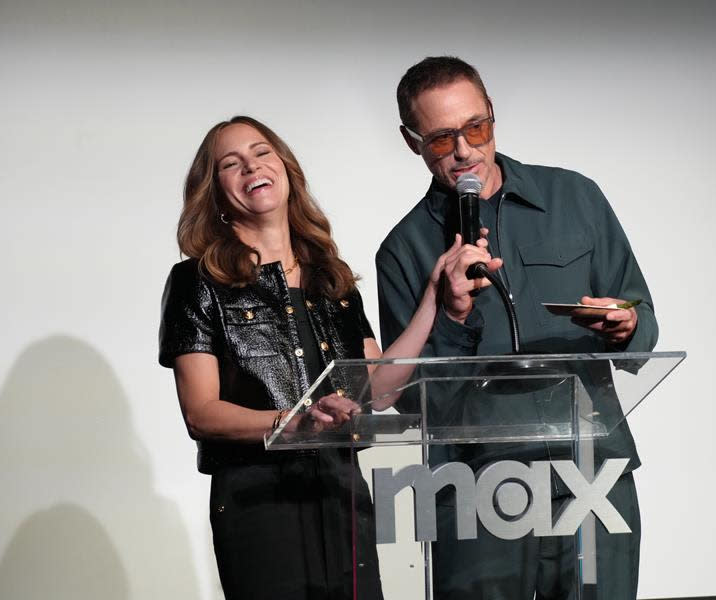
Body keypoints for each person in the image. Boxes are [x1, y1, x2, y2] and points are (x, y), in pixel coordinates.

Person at [158, 116, 484, 600]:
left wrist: (433, 300)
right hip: (258, 499)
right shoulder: (196, 283)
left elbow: (381, 389)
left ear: (286, 168)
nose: (251, 165)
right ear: (215, 191)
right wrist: (292, 423)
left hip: (342, 489)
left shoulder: (332, 280)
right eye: (231, 163)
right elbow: (201, 413)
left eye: (262, 152)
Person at [376, 57, 659, 599]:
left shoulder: (575, 198)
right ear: (412, 142)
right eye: (440, 139)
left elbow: (641, 321)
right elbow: (409, 401)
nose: (464, 151)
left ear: (493, 119)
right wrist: (453, 314)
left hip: (591, 475)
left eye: (475, 128)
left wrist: (624, 327)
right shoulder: (404, 249)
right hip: (477, 489)